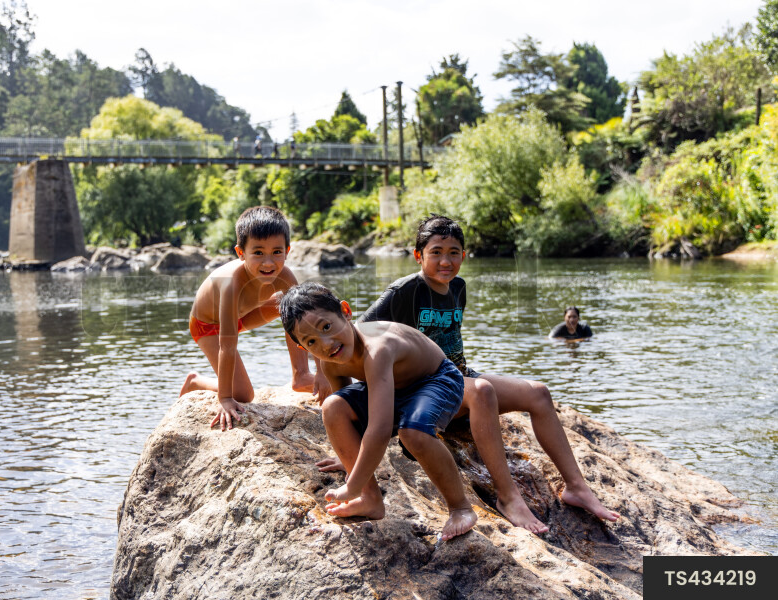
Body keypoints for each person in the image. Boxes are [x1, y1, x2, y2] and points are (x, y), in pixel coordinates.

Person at [316, 215, 619, 532]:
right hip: (426, 387)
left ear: (464, 255)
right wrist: (355, 444)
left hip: (457, 376)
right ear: (419, 255)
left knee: (539, 393)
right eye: (436, 252)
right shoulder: (404, 291)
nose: (445, 261)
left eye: (453, 252)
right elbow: (353, 335)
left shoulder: (458, 287)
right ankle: (508, 497)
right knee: (481, 390)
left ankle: (576, 487)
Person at [279, 282, 479, 541]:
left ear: (345, 311)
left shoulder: (378, 348)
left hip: (435, 379)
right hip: (393, 389)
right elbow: (349, 415)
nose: (326, 344)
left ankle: (461, 507)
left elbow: (380, 428)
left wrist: (351, 483)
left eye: (327, 327)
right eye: (312, 341)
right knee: (333, 406)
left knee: (413, 433)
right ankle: (370, 498)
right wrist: (351, 455)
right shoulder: (331, 364)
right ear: (303, 349)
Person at [181, 206, 315, 430]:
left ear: (288, 250)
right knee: (243, 394)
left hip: (243, 316)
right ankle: (195, 381)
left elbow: (309, 321)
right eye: (258, 253)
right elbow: (227, 346)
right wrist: (224, 399)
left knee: (294, 308)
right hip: (209, 326)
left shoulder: (285, 276)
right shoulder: (231, 283)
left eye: (276, 252)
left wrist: (321, 370)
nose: (268, 263)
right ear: (240, 252)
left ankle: (301, 375)